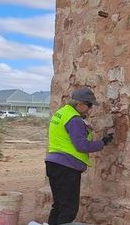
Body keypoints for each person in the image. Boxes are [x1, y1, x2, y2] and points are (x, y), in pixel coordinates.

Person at [45, 87, 114, 225]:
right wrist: (102, 142)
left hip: (53, 163)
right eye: (88, 105)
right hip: (67, 167)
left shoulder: (61, 113)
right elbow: (82, 146)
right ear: (79, 104)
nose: (90, 109)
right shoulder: (74, 119)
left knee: (59, 205)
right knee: (69, 209)